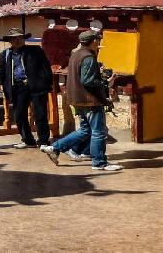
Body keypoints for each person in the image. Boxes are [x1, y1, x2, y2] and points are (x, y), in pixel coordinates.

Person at [41, 30, 123, 171]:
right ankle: (99, 162)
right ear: (94, 41)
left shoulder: (76, 55)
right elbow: (88, 80)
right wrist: (104, 83)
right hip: (89, 100)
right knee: (98, 131)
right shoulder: (89, 58)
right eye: (98, 40)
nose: (99, 43)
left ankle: (54, 148)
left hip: (77, 99)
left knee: (85, 130)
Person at [0, 27, 52, 148]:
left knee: (40, 114)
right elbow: (0, 72)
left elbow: (46, 67)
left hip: (36, 86)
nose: (17, 40)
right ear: (10, 40)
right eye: (14, 38)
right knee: (19, 115)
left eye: (20, 37)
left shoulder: (35, 51)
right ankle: (28, 140)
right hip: (17, 87)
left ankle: (43, 141)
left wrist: (47, 83)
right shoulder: (4, 55)